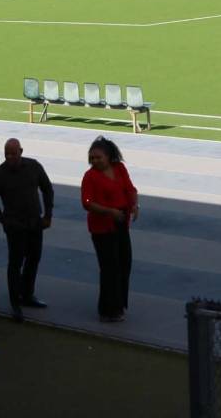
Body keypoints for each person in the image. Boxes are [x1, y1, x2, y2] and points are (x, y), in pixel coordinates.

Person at [0, 137, 54, 322]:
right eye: (6, 154)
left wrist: (48, 215)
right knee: (15, 263)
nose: (9, 157)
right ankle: (15, 302)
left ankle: (27, 295)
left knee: (33, 259)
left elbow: (47, 189)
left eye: (13, 153)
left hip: (34, 223)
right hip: (15, 226)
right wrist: (4, 221)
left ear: (21, 151)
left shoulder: (33, 166)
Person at [80, 135, 138, 322]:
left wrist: (134, 205)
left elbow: (130, 189)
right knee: (109, 267)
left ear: (108, 156)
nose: (95, 161)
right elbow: (87, 203)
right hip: (102, 227)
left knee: (124, 263)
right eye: (92, 158)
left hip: (121, 223)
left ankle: (119, 304)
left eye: (98, 157)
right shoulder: (90, 177)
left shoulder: (119, 169)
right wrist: (109, 211)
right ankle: (107, 309)